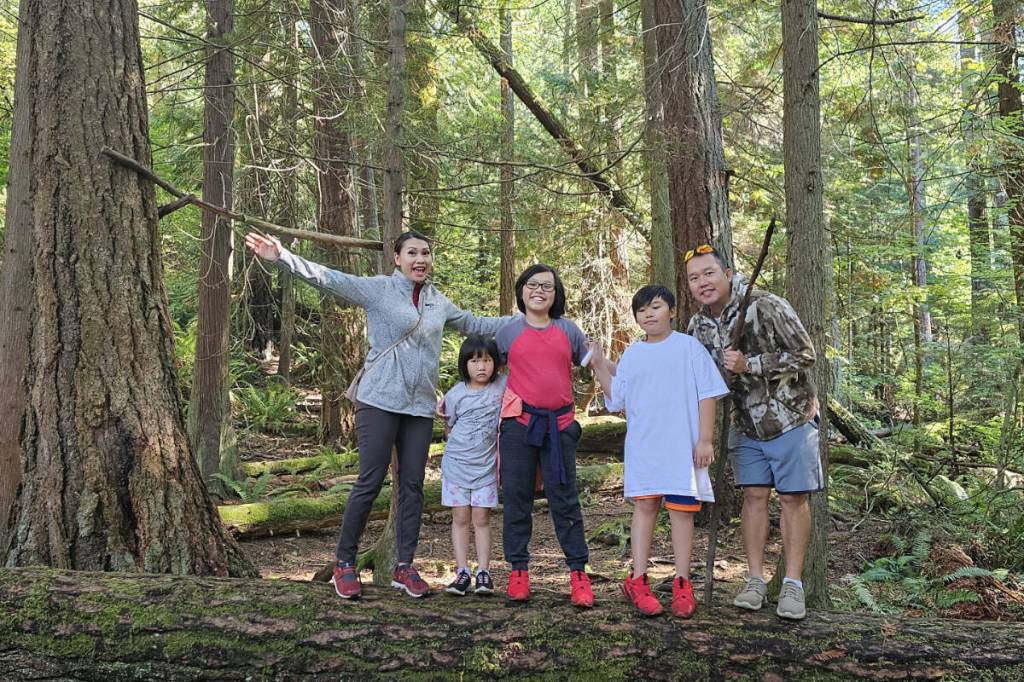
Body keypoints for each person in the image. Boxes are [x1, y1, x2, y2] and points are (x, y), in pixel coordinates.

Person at [244, 230, 513, 600]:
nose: (421, 259)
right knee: (369, 481)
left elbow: (477, 325)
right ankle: (345, 563)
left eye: (426, 253)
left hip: (418, 407)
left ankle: (405, 566)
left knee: (413, 487)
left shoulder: (437, 302)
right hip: (379, 400)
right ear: (397, 259)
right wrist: (282, 257)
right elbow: (329, 279)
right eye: (413, 253)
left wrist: (530, 317)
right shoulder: (378, 290)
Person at [684, 244, 822, 620]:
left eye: (709, 273)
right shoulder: (697, 325)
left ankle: (793, 585)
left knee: (793, 498)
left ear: (727, 274)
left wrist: (752, 364)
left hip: (789, 418)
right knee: (754, 496)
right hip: (743, 426)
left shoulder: (765, 304)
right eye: (695, 278)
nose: (703, 283)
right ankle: (756, 579)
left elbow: (806, 353)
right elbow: (696, 378)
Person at [589, 285, 728, 617]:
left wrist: (705, 439)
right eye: (641, 310)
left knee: (682, 513)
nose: (648, 314)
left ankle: (682, 582)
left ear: (672, 311)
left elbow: (707, 394)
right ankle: (637, 580)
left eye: (655, 307)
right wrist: (598, 365)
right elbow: (618, 398)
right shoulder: (634, 354)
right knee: (646, 507)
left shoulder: (689, 348)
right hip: (645, 447)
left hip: (683, 448)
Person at [494, 264, 594, 607]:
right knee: (517, 498)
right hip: (519, 426)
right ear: (521, 290)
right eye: (533, 285)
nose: (539, 291)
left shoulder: (568, 330)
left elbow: (593, 363)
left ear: (556, 294)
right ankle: (518, 571)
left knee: (565, 500)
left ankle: (579, 573)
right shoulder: (507, 334)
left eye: (547, 287)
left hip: (561, 427)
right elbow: (488, 372)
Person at [437, 335, 505, 596]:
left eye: (487, 360)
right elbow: (448, 426)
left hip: (486, 468)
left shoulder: (501, 385)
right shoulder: (456, 394)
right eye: (475, 361)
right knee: (461, 517)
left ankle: (484, 571)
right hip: (456, 466)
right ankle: (462, 571)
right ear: (464, 364)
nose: (481, 367)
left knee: (481, 517)